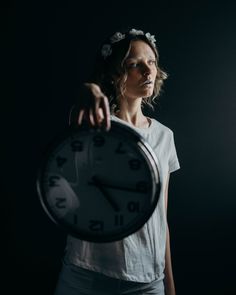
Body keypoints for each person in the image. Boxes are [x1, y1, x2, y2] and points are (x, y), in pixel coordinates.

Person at [54, 27, 180, 295]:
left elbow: (161, 217)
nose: (147, 71)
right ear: (115, 74)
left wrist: (169, 285)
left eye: (151, 62)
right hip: (86, 274)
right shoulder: (96, 124)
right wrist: (87, 90)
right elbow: (80, 110)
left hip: (148, 280)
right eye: (134, 64)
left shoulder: (164, 136)